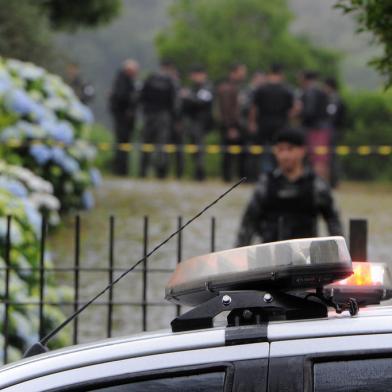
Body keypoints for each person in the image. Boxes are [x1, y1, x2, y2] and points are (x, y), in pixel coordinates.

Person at [236, 128, 343, 246]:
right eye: (280, 149)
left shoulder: (316, 185)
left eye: (290, 149)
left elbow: (333, 222)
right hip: (270, 254)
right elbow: (249, 223)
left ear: (302, 151)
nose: (285, 155)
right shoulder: (265, 184)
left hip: (306, 257)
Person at [248, 64, 295, 176]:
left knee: (263, 150)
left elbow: (253, 108)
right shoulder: (286, 90)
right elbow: (293, 110)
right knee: (280, 150)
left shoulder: (261, 89)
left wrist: (252, 123)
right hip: (281, 125)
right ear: (281, 75)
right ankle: (278, 174)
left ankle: (265, 174)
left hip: (263, 124)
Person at [139, 59, 177, 179]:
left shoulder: (150, 79)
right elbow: (175, 102)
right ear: (170, 68)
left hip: (149, 115)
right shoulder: (171, 82)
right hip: (164, 116)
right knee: (162, 145)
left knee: (146, 143)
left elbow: (141, 96)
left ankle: (143, 171)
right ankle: (161, 173)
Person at [180, 65, 214, 181]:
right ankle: (196, 171)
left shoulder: (207, 88)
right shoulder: (193, 88)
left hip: (202, 123)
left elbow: (201, 102)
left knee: (199, 148)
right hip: (192, 122)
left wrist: (188, 97)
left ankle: (200, 173)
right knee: (194, 148)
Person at [217, 63, 248, 182]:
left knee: (241, 154)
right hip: (230, 126)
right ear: (234, 72)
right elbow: (225, 109)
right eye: (242, 71)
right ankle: (227, 178)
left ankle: (240, 177)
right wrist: (230, 127)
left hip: (238, 125)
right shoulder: (226, 88)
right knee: (228, 154)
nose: (244, 74)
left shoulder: (239, 87)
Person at [109, 59, 139, 176]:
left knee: (124, 143)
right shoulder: (122, 81)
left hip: (124, 118)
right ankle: (120, 169)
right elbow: (122, 98)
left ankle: (122, 169)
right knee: (122, 143)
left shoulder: (125, 80)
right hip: (122, 118)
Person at [298, 71, 330, 181]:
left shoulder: (309, 92)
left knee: (317, 157)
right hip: (323, 127)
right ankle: (322, 182)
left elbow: (309, 112)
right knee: (321, 157)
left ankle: (318, 182)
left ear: (305, 79)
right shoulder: (322, 90)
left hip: (314, 129)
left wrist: (298, 113)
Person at [324, 77, 346, 188]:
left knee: (332, 157)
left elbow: (332, 116)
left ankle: (334, 181)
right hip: (335, 130)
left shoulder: (334, 99)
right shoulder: (335, 98)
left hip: (332, 131)